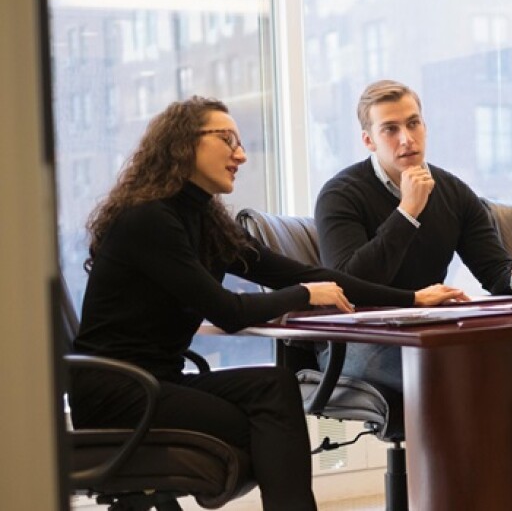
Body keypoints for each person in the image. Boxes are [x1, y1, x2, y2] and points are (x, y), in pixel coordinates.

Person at [69, 96, 465, 511]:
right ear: (183, 144)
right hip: (119, 392)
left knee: (275, 388)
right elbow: (229, 311)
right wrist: (304, 296)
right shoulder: (149, 219)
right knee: (266, 426)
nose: (240, 154)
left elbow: (305, 273)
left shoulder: (206, 221)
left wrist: (411, 298)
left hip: (158, 381)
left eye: (240, 143)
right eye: (227, 139)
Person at [314, 79, 512, 392]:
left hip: (428, 331)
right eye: (390, 129)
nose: (407, 138)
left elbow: (494, 272)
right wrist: (407, 212)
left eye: (413, 124)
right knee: (466, 374)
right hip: (357, 341)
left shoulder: (454, 192)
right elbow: (350, 285)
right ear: (368, 140)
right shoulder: (339, 195)